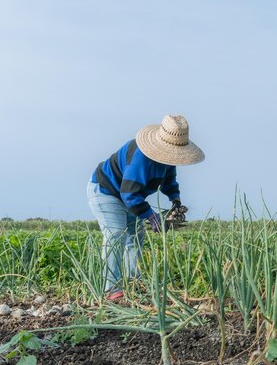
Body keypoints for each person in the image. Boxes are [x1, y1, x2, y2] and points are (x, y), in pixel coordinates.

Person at [87, 115, 204, 300]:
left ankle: (134, 283)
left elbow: (169, 181)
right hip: (107, 191)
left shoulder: (168, 159)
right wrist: (151, 216)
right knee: (116, 235)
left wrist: (176, 202)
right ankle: (111, 289)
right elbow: (129, 193)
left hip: (131, 196)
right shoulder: (141, 156)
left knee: (136, 237)